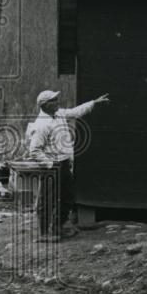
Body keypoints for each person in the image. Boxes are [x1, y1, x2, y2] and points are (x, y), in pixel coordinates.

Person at [27, 89, 109, 239]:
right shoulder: (41, 125)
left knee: (68, 196)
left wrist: (94, 103)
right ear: (45, 105)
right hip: (51, 166)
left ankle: (58, 227)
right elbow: (34, 151)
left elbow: (75, 112)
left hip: (63, 163)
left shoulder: (59, 114)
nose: (58, 102)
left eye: (57, 99)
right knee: (47, 200)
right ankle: (44, 233)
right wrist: (50, 164)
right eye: (54, 101)